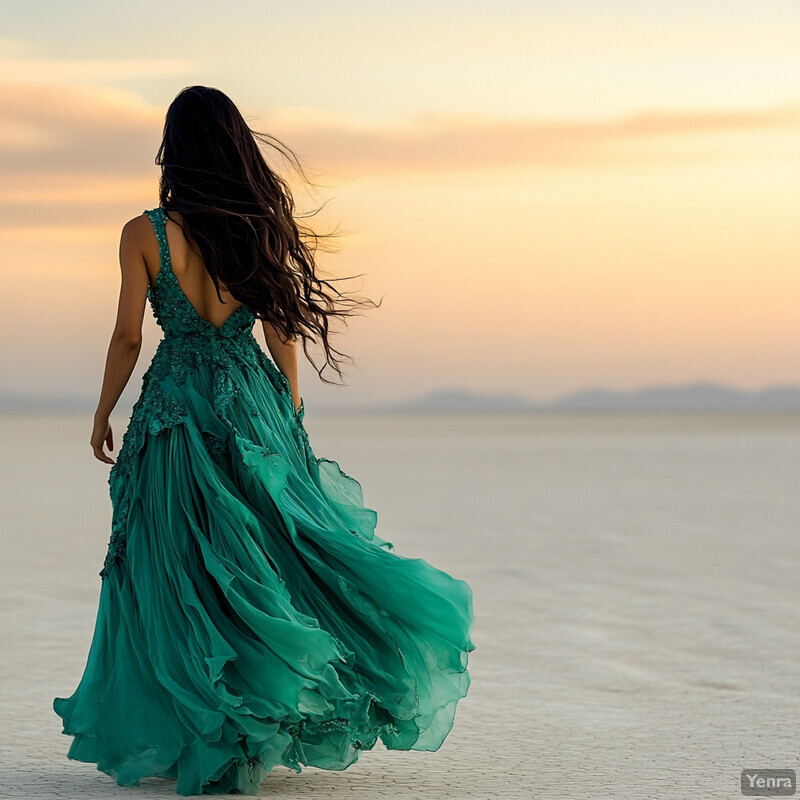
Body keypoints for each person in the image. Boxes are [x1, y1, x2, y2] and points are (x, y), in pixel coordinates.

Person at [52, 86, 476, 796]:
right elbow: (282, 328)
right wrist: (292, 409)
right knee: (269, 554)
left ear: (173, 149)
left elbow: (128, 335)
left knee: (181, 566)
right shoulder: (257, 229)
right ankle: (260, 706)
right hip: (249, 399)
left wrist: (103, 410)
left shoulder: (143, 232)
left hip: (174, 408)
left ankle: (214, 721)